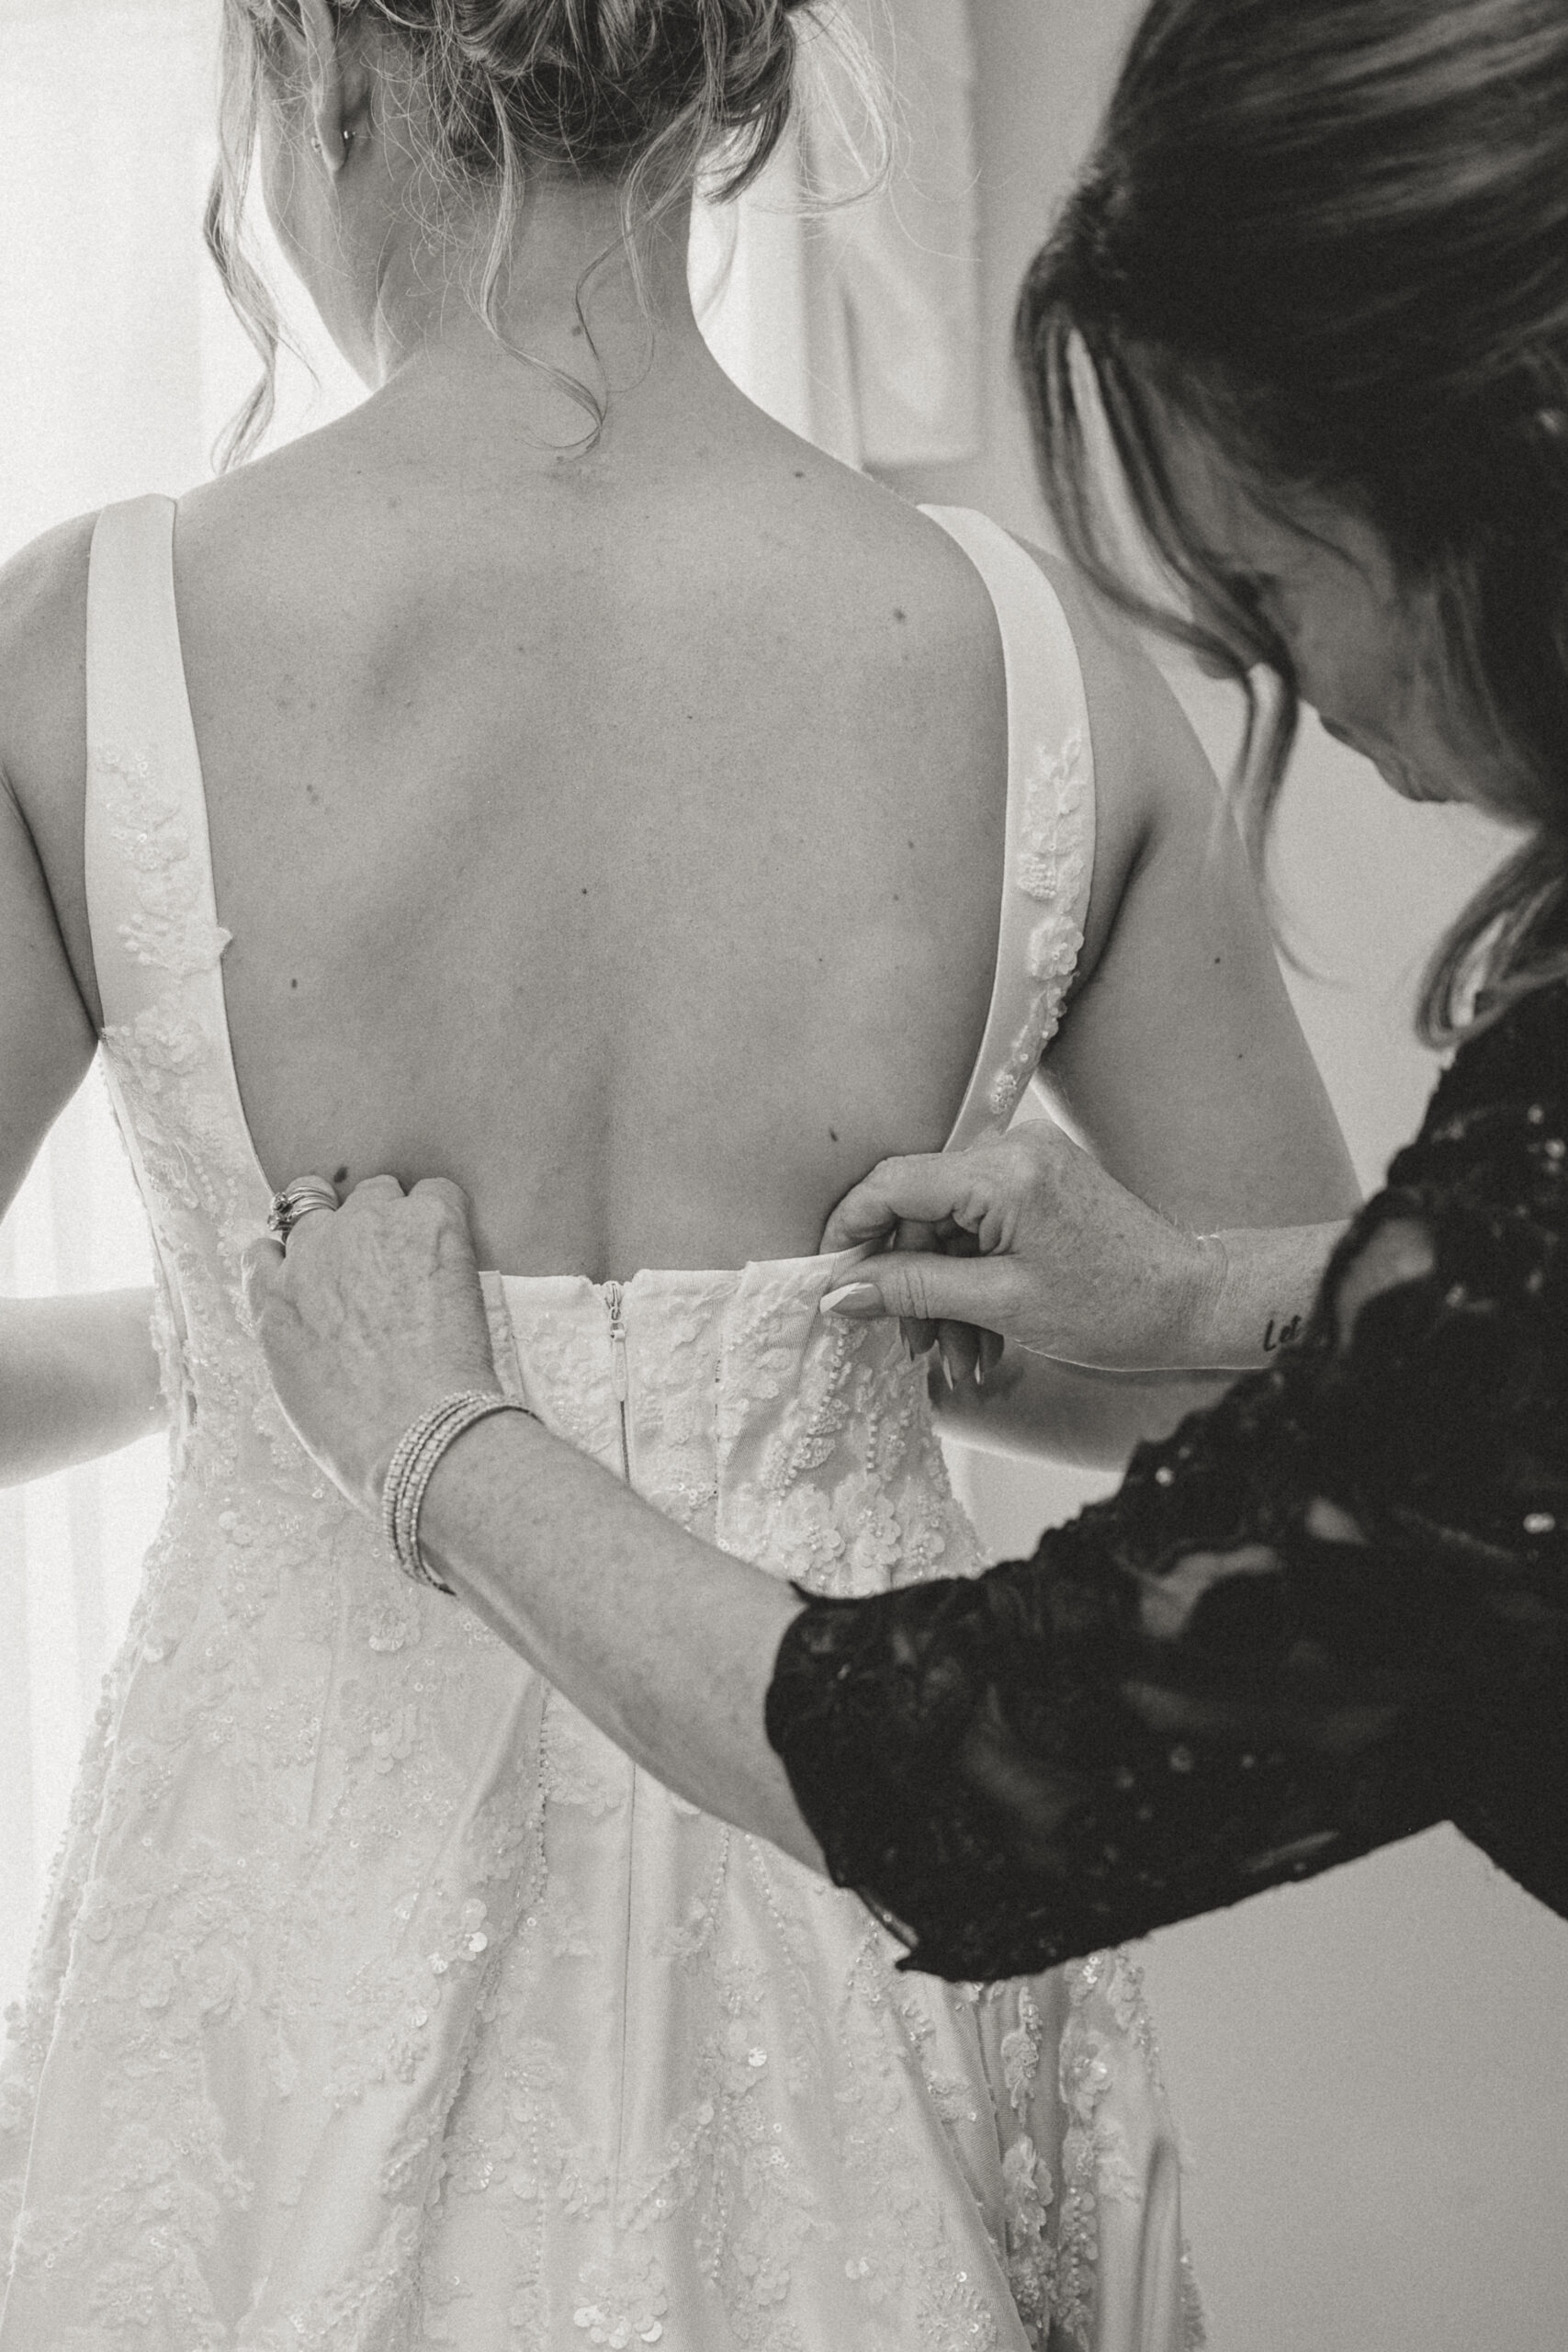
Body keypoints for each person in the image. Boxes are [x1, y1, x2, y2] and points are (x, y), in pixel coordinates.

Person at [0, 3, 1364, 2345]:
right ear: (734, 93)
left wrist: (241, 1356)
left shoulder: (83, 648)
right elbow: (1333, 1400)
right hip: (852, 1896)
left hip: (295, 1919)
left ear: (320, 71)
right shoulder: (1034, 657)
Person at [247, 0, 1567, 2011]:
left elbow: (963, 1776)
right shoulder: (1028, 666)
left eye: (1274, 591)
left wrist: (430, 1431)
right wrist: (1195, 1294)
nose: (1296, 703)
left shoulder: (79, 648)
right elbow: (1482, 1350)